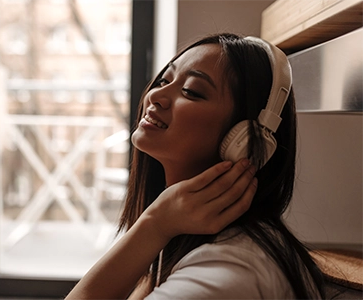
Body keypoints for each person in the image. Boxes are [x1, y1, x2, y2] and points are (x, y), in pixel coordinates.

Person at [65, 33, 325, 299]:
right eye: (165, 80)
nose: (156, 95)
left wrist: (154, 225)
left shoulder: (229, 269)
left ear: (242, 140)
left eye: (191, 91)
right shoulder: (180, 237)